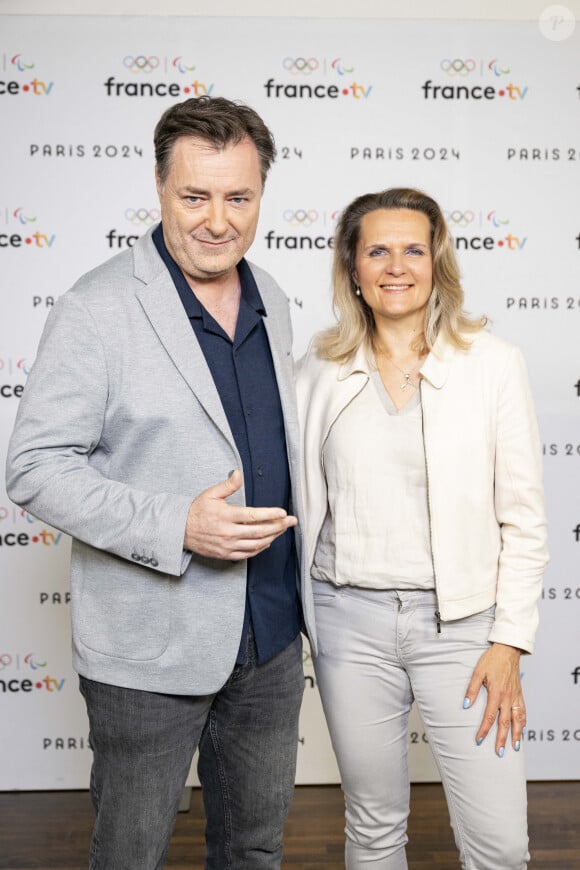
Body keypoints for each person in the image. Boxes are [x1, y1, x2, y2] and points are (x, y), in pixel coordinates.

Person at [6, 95, 316, 870]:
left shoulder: (272, 296)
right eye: (195, 195)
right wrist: (178, 523)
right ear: (158, 187)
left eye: (238, 197)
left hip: (273, 636)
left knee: (253, 847)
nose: (218, 219)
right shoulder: (96, 306)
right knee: (131, 854)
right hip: (148, 648)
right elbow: (34, 467)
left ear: (261, 196)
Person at [296, 187, 548, 869]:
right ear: (352, 267)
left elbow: (524, 519)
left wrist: (508, 642)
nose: (396, 266)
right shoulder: (316, 370)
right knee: (373, 826)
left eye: (414, 249)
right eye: (377, 250)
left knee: (497, 844)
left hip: (465, 631)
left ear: (438, 263)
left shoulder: (492, 364)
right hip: (348, 625)